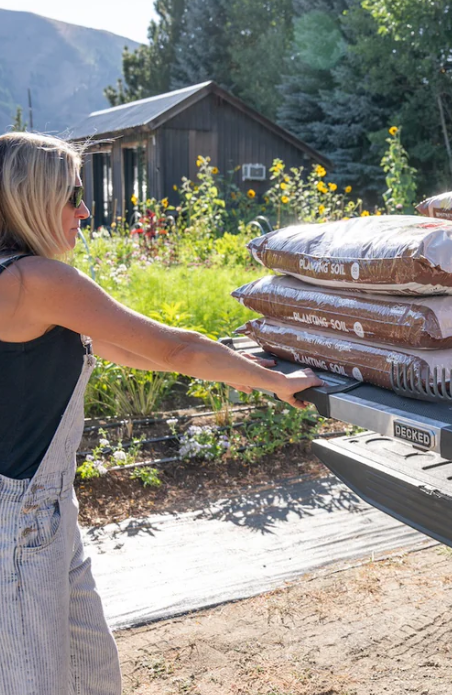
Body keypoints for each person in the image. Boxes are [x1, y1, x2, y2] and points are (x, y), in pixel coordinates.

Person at [0, 131, 322, 694]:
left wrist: (239, 362)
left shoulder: (18, 282)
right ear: (29, 199)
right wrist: (275, 382)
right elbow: (175, 348)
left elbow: (129, 349)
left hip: (46, 515)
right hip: (21, 521)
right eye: (71, 195)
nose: (85, 210)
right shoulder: (36, 281)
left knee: (93, 674)